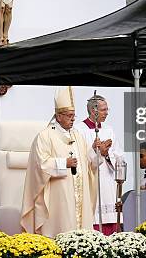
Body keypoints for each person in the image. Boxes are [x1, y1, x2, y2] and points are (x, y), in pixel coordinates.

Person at [21, 86, 104, 237]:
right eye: (69, 115)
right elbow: (40, 165)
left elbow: (87, 164)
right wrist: (63, 163)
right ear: (58, 116)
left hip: (79, 195)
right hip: (58, 196)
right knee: (61, 230)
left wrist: (97, 152)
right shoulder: (45, 136)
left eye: (74, 116)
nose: (73, 119)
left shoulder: (78, 135)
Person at [75, 93, 122, 235]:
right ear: (93, 111)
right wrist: (95, 151)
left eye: (107, 109)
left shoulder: (109, 130)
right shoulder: (78, 130)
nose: (107, 113)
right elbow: (79, 157)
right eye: (104, 110)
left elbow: (119, 156)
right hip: (90, 181)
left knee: (110, 222)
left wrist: (106, 154)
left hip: (108, 182)